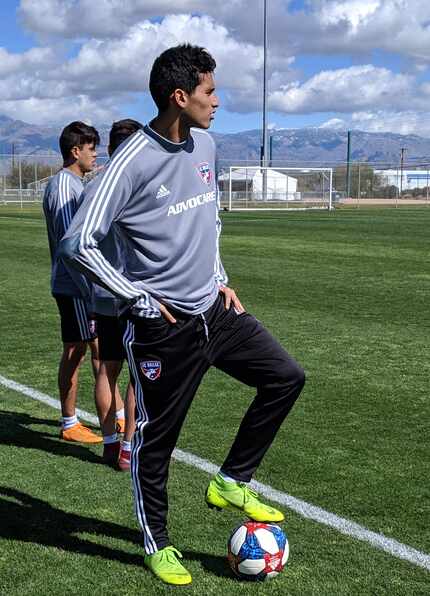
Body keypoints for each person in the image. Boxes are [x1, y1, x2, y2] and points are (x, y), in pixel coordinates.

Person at [60, 45, 305, 585]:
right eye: (210, 91)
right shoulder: (127, 163)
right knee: (156, 441)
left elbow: (208, 221)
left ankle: (232, 479)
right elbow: (78, 243)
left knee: (286, 377)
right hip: (162, 328)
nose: (217, 102)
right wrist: (136, 296)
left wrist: (219, 278)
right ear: (180, 96)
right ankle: (158, 544)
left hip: (214, 312)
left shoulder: (209, 145)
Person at [43, 121, 102, 443]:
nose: (96, 154)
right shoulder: (65, 186)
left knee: (91, 348)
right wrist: (90, 292)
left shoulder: (73, 184)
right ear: (75, 151)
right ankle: (70, 423)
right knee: (77, 351)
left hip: (77, 286)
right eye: (91, 149)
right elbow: (71, 249)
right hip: (75, 286)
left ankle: (111, 416)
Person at [92, 119, 141, 470]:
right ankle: (127, 449)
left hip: (101, 292)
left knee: (107, 370)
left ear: (110, 148)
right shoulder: (139, 186)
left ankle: (110, 442)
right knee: (138, 376)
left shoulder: (93, 187)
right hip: (133, 294)